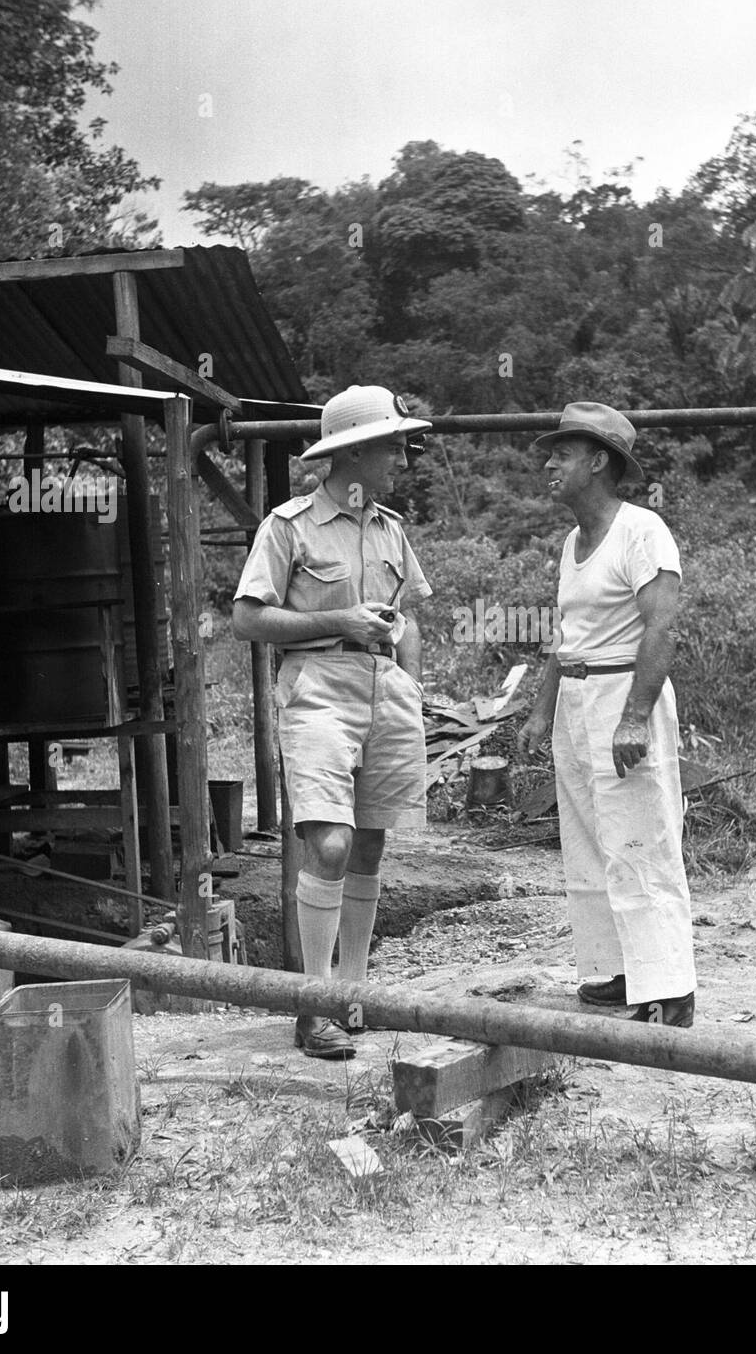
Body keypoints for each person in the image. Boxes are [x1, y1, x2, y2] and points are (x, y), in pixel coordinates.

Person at [232, 384, 432, 1059]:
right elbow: (248, 617)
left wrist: (409, 681)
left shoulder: (391, 529)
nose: (402, 459)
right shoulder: (288, 526)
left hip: (384, 688)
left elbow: (410, 618)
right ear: (354, 451)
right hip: (316, 686)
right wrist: (336, 622)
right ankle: (312, 1004)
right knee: (332, 845)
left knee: (371, 843)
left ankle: (353, 992)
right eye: (393, 445)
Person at [517, 402, 696, 1026]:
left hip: (624, 695)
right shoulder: (573, 542)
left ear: (598, 463)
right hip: (576, 698)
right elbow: (566, 634)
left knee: (641, 837)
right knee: (590, 841)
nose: (548, 463)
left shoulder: (642, 530)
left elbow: (663, 625)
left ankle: (669, 988)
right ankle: (614, 971)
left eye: (561, 454)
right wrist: (540, 713)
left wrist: (634, 718)